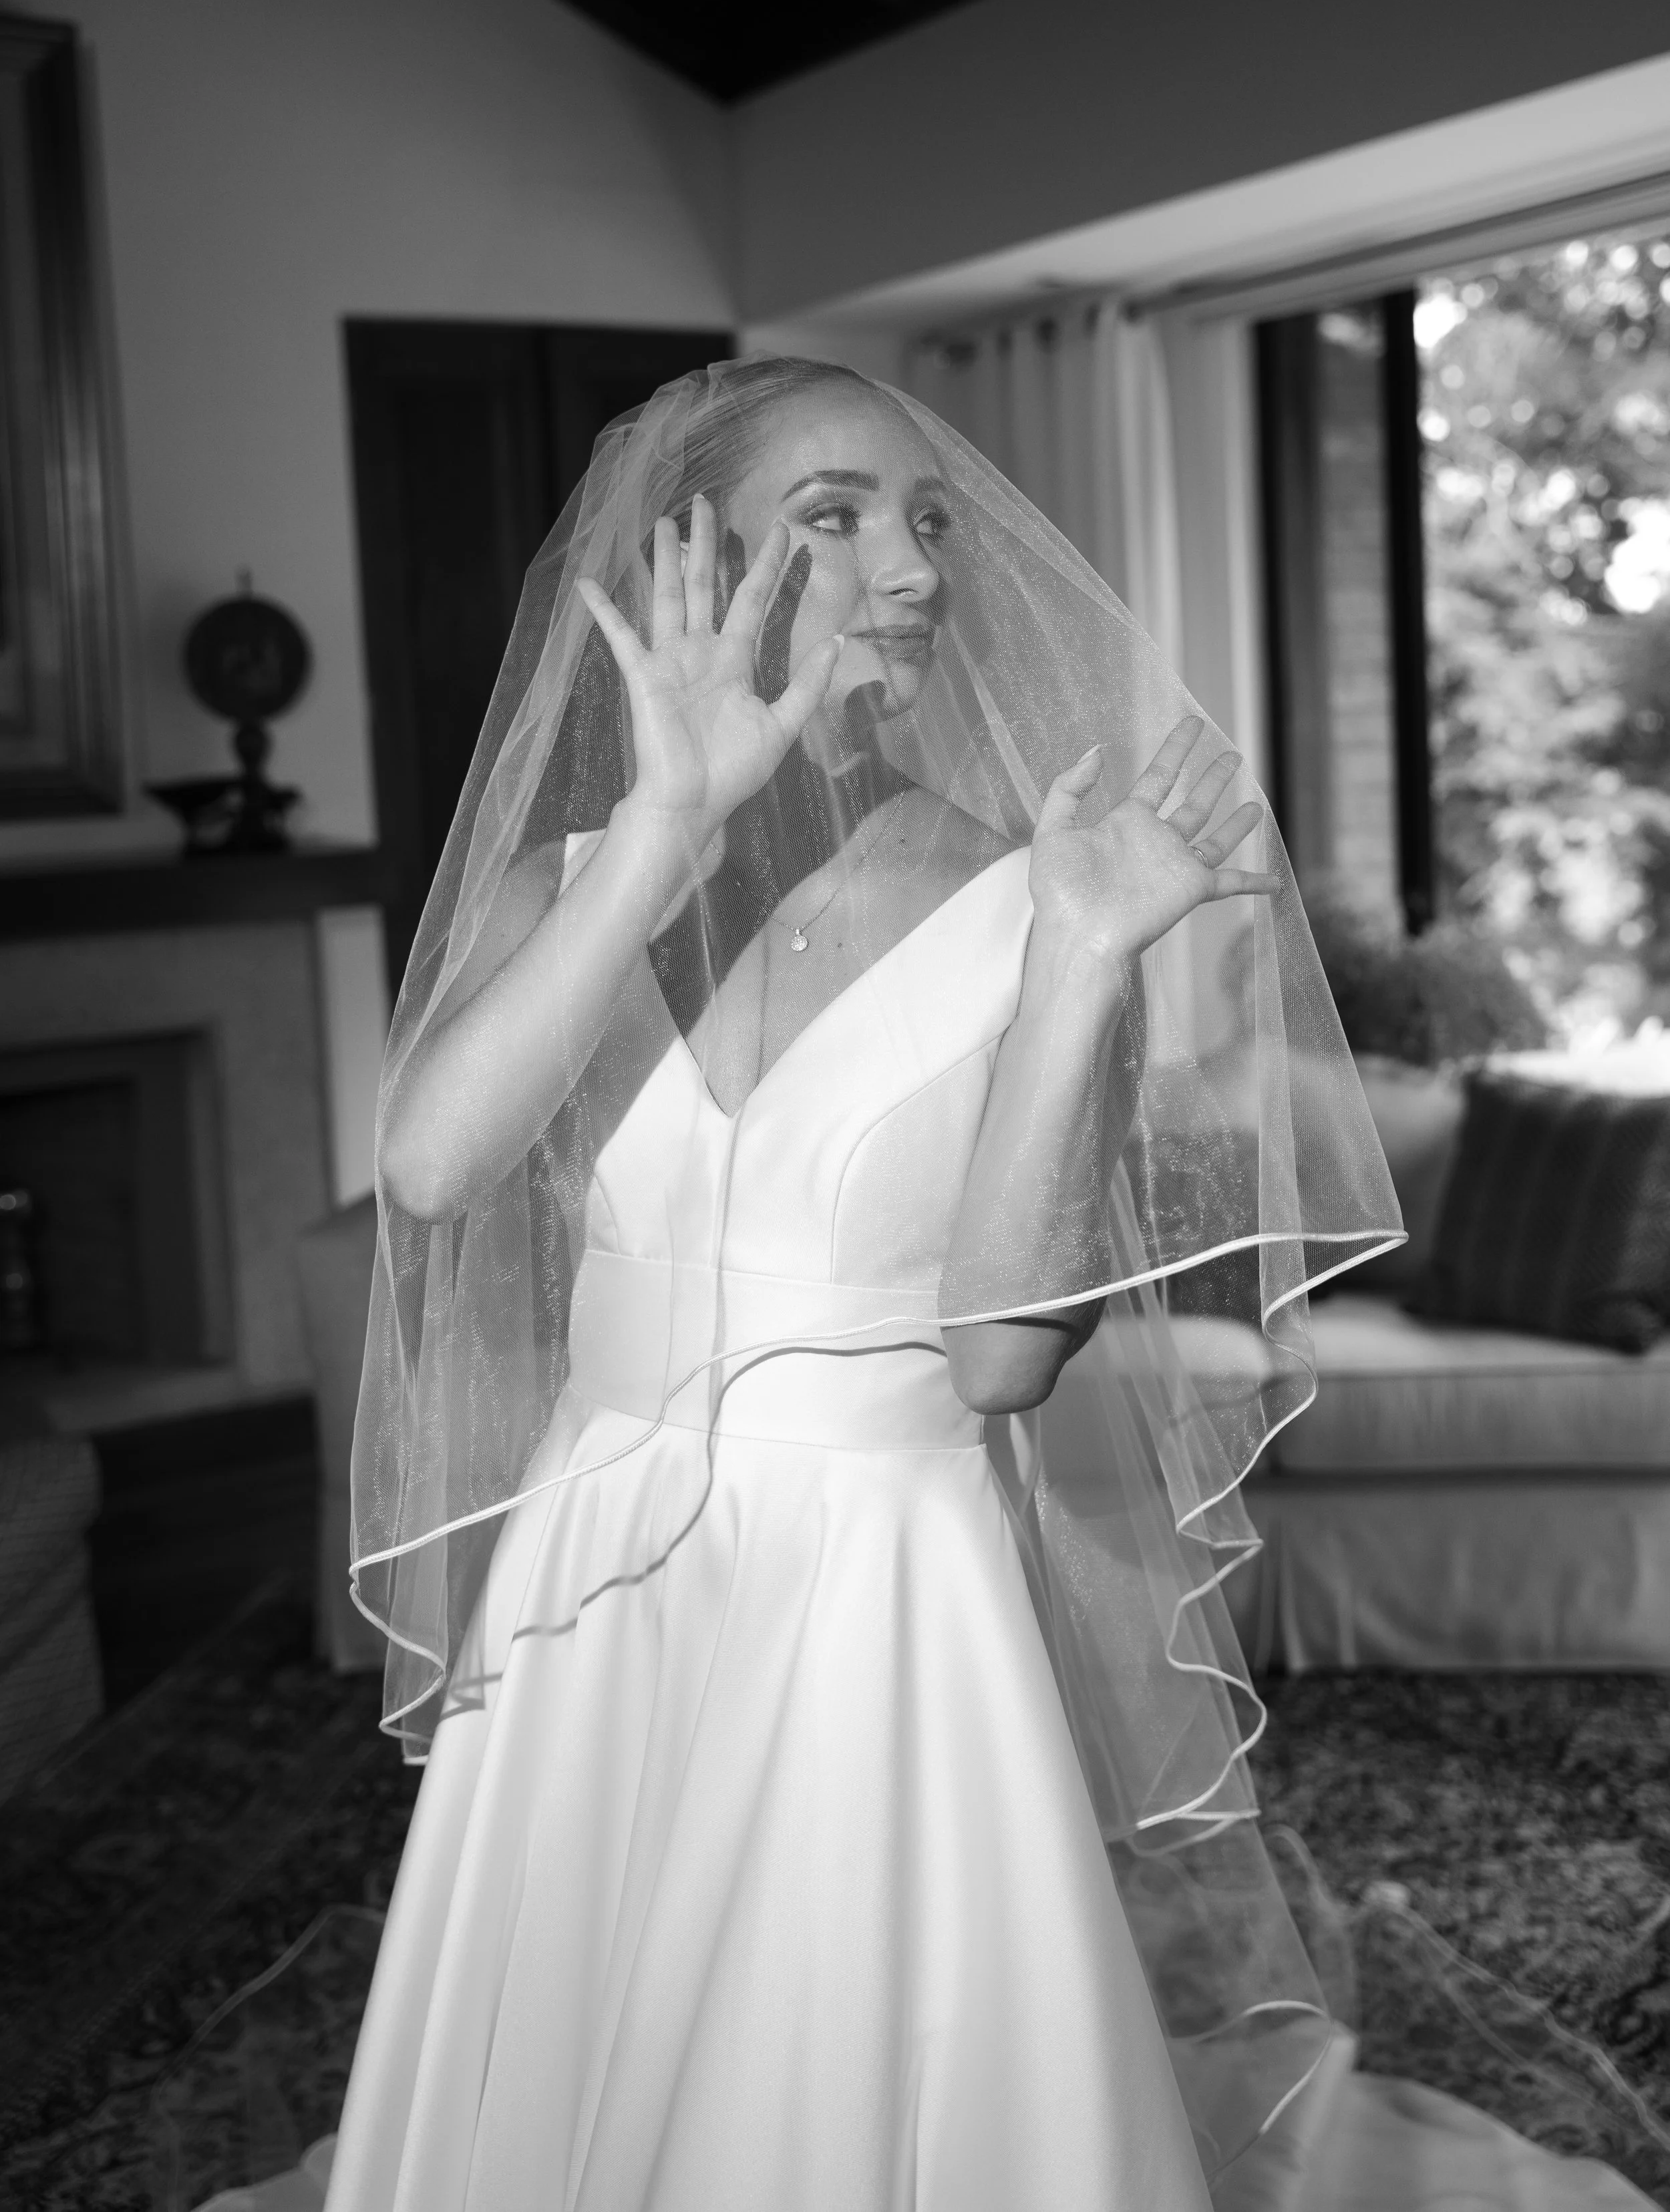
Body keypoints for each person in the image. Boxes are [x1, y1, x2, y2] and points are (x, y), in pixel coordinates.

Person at [321, 359, 1649, 2212]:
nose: (912, 560)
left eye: (925, 513)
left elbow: (1004, 1352)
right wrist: (658, 836)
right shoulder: (587, 878)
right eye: (835, 514)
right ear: (693, 561)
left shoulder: (1045, 883)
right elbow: (431, 1160)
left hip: (875, 1576)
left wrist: (1088, 957)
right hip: (597, 1545)